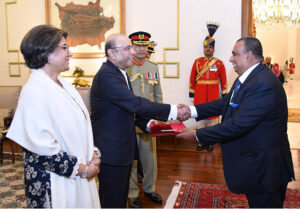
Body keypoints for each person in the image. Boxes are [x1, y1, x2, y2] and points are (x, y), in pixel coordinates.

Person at [177, 36, 295, 208]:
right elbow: (226, 103)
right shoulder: (250, 78)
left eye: (235, 54)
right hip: (256, 165)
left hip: (266, 169)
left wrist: (197, 135)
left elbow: (237, 125)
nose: (231, 58)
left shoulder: (263, 84)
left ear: (248, 55)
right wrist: (192, 111)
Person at [90, 33, 189, 208]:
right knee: (112, 199)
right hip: (112, 151)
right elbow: (134, 104)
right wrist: (174, 111)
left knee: (119, 197)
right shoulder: (107, 76)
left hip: (121, 147)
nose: (133, 52)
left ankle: (147, 189)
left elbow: (129, 110)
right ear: (111, 53)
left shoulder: (120, 73)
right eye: (128, 48)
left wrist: (151, 125)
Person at [6, 25, 101, 208]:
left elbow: (78, 128)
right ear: (47, 54)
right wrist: (83, 170)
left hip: (76, 176)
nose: (70, 53)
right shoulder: (33, 91)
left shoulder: (64, 84)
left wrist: (94, 153)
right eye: (64, 47)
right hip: (53, 184)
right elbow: (43, 153)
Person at [126, 31, 162, 208]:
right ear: (131, 47)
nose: (141, 49)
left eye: (144, 46)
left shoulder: (153, 67)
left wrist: (160, 116)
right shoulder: (125, 67)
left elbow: (157, 94)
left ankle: (150, 188)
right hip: (130, 120)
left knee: (150, 158)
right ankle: (132, 194)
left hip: (148, 120)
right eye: (137, 45)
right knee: (132, 160)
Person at [189, 22, 227, 152]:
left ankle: (210, 142)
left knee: (211, 122)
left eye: (210, 47)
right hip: (199, 95)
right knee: (200, 122)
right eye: (206, 47)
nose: (208, 49)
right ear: (203, 48)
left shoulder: (219, 63)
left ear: (214, 49)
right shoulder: (197, 62)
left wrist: (225, 94)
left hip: (213, 95)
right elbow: (192, 78)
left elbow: (223, 79)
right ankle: (201, 142)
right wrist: (191, 93)